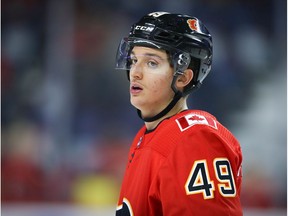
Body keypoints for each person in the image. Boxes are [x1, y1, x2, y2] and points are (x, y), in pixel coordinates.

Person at [114, 11, 243, 216]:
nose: (135, 72)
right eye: (133, 60)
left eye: (151, 63)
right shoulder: (145, 136)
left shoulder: (194, 141)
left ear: (182, 77)